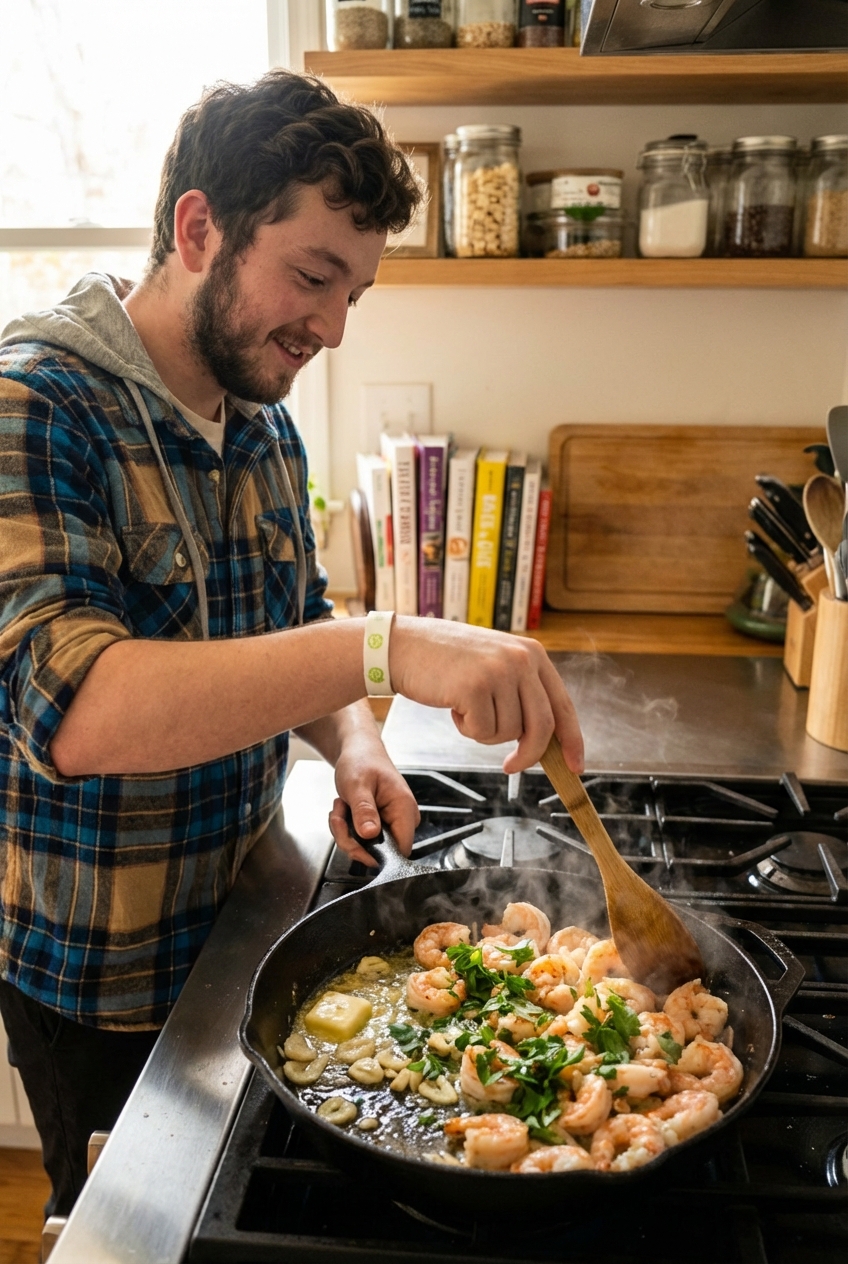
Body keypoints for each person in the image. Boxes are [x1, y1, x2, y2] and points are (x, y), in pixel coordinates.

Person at [0, 69, 583, 1216]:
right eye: (312, 275)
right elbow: (73, 707)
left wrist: (355, 740)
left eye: (353, 293)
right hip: (97, 980)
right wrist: (389, 647)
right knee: (131, 1231)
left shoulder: (261, 417)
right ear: (198, 226)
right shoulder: (35, 406)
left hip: (250, 923)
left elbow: (297, 620)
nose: (327, 325)